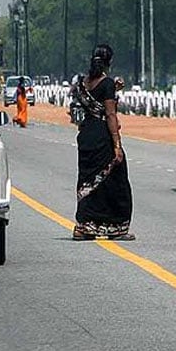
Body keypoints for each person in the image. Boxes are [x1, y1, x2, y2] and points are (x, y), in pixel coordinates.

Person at [71, 44, 134, 241]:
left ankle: (84, 226)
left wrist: (113, 90)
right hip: (102, 136)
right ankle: (116, 226)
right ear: (109, 62)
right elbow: (110, 114)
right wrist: (117, 144)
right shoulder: (106, 83)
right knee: (116, 181)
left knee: (87, 180)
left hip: (86, 136)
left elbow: (90, 103)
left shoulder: (82, 83)